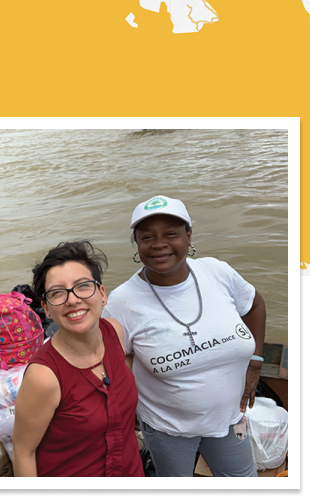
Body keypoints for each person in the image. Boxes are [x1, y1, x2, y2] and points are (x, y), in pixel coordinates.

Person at [104, 195, 267, 477]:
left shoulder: (217, 272)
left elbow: (255, 305)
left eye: (171, 234)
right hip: (168, 428)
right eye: (147, 237)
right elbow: (114, 363)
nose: (159, 244)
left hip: (229, 418)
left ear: (188, 236)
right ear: (137, 245)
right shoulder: (121, 303)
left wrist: (255, 361)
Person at [12, 241, 143, 477]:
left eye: (83, 286)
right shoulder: (44, 376)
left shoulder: (115, 333)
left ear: (102, 294)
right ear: (47, 309)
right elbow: (23, 452)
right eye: (57, 293)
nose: (72, 300)